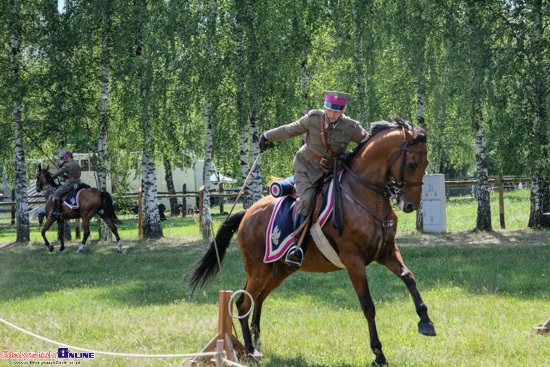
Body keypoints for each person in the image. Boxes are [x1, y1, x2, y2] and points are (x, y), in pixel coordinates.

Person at [260, 91, 367, 269]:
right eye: (329, 110)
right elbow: (289, 130)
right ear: (325, 107)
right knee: (308, 200)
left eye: (336, 111)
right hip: (306, 169)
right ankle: (297, 248)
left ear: (344, 109)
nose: (331, 114)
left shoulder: (352, 127)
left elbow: (369, 143)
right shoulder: (313, 118)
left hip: (332, 172)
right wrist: (267, 136)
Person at [50, 152, 81, 218]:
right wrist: (66, 176)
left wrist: (53, 176)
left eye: (65, 159)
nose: (65, 160)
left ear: (68, 157)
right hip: (78, 182)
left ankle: (58, 212)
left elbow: (60, 172)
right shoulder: (77, 164)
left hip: (70, 183)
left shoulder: (67, 165)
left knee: (56, 194)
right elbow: (77, 175)